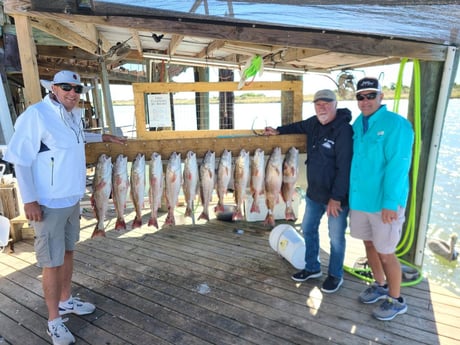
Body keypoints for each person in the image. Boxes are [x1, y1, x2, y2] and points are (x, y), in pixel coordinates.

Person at [4, 70, 126, 345]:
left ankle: (66, 300)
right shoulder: (36, 115)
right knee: (51, 262)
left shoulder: (72, 114)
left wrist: (105, 138)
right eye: (66, 87)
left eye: (77, 88)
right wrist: (29, 199)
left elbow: (77, 138)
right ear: (54, 88)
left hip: (72, 198)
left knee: (68, 251)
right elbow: (20, 159)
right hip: (48, 202)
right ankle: (53, 321)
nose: (72, 92)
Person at [264, 89, 353, 293]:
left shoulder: (344, 130)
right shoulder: (313, 123)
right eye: (318, 104)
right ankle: (312, 267)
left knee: (336, 238)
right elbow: (298, 126)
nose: (322, 108)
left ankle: (335, 275)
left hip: (335, 198)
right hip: (314, 194)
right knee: (308, 229)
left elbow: (345, 167)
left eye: (326, 104)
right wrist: (278, 130)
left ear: (335, 104)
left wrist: (337, 198)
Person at [349, 77, 414, 321]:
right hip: (361, 201)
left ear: (381, 97)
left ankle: (396, 300)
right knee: (368, 245)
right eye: (360, 96)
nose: (365, 101)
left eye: (370, 95)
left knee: (387, 252)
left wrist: (390, 203)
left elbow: (398, 166)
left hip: (384, 203)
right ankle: (380, 285)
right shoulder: (358, 123)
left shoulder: (397, 125)